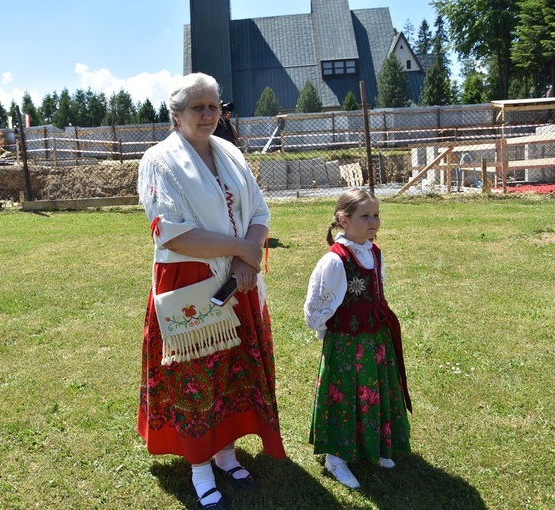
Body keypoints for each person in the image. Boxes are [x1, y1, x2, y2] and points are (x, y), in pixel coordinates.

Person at [137, 73, 285, 509]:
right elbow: (171, 233)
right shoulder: (158, 160)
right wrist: (243, 248)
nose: (207, 114)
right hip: (189, 280)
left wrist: (245, 259)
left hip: (239, 278)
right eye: (196, 107)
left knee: (234, 369)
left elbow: (259, 209)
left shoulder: (232, 153)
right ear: (176, 115)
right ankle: (200, 466)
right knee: (195, 376)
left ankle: (224, 453)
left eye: (213, 106)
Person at [303, 188, 412, 490]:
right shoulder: (336, 261)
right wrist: (327, 332)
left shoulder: (375, 251)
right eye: (365, 216)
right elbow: (316, 307)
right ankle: (336, 456)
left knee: (373, 391)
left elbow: (378, 287)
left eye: (376, 215)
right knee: (346, 394)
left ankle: (372, 445)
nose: (373, 221)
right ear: (343, 219)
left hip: (375, 339)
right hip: (347, 342)